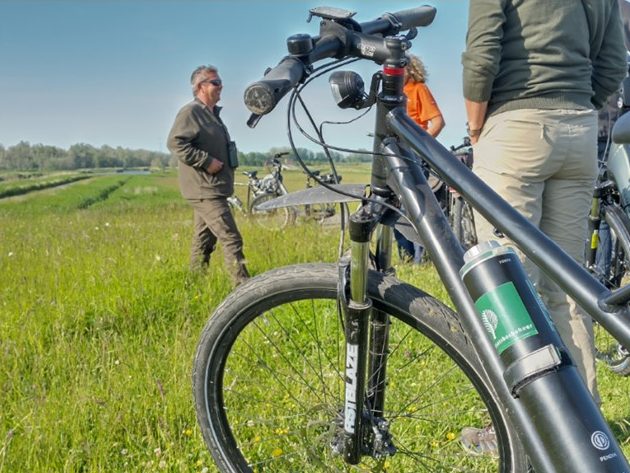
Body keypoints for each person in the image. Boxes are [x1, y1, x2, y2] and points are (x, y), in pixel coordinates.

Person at [459, 0, 627, 455]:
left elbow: (481, 51)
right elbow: (613, 60)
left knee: (507, 285)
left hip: (515, 123)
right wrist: (579, 106)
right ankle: (583, 418)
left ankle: (515, 427)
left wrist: (477, 128)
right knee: (567, 284)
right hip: (579, 129)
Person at [167, 65, 250, 285]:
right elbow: (176, 143)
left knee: (203, 240)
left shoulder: (212, 114)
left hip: (213, 188)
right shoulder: (191, 112)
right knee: (231, 238)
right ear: (200, 86)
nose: (221, 85)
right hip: (205, 189)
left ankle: (194, 284)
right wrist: (206, 161)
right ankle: (243, 290)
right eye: (215, 82)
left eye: (220, 81)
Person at [394, 54, 446, 263]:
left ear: (410, 69)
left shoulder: (418, 89)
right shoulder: (394, 93)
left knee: (414, 206)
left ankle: (419, 258)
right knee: (394, 206)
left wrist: (420, 145)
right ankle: (405, 255)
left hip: (412, 154)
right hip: (394, 151)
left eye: (400, 69)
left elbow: (437, 121)